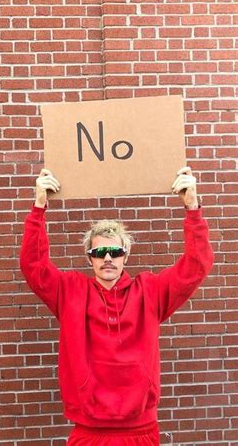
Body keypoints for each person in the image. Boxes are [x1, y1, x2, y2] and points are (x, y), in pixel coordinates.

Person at [20, 168, 213, 445]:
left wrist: (192, 207)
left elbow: (196, 266)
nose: (108, 258)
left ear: (126, 255)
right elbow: (33, 266)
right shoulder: (71, 291)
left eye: (116, 251)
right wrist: (39, 206)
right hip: (88, 430)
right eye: (99, 252)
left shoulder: (150, 291)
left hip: (141, 429)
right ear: (90, 259)